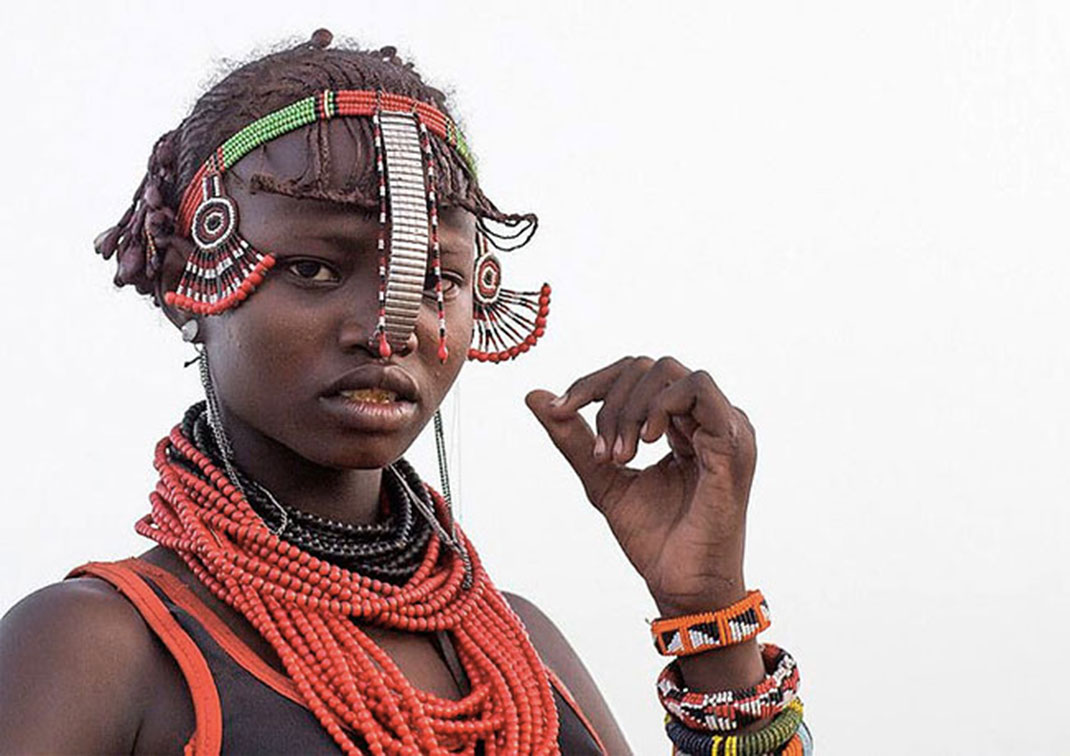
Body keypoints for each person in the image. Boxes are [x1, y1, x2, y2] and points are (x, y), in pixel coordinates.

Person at [0, 30, 809, 754]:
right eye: (315, 268)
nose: (387, 333)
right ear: (187, 282)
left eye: (435, 281)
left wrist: (709, 613)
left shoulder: (524, 655)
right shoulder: (98, 649)